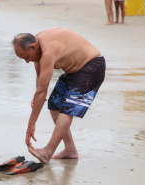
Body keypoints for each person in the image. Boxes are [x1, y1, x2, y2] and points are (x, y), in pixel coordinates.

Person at [12, 28, 106, 164]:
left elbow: (42, 92)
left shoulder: (48, 50)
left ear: (32, 46)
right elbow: (40, 80)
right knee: (55, 104)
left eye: (26, 57)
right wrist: (36, 96)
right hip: (73, 72)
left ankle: (47, 152)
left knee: (68, 109)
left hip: (92, 67)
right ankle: (70, 150)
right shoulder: (37, 45)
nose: (27, 61)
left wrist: (31, 126)